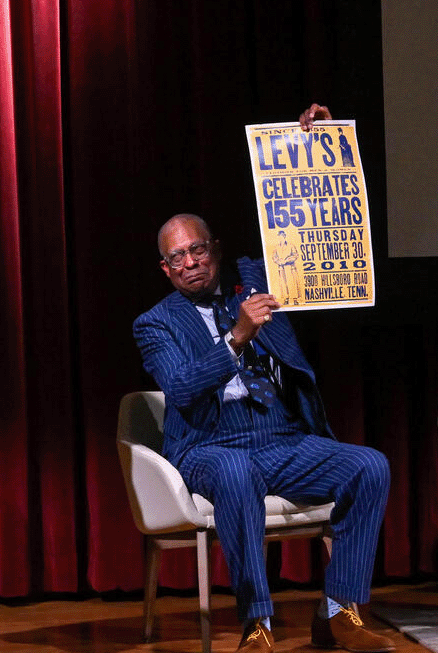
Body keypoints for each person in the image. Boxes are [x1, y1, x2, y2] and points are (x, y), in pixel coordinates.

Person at [134, 213, 393, 653]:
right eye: (178, 257)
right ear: (166, 268)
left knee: (370, 466)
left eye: (198, 250)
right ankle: (257, 623)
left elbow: (284, 251)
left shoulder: (252, 286)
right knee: (235, 471)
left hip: (280, 437)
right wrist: (237, 336)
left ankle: (338, 612)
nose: (191, 263)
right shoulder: (156, 323)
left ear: (214, 249)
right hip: (209, 445)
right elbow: (179, 388)